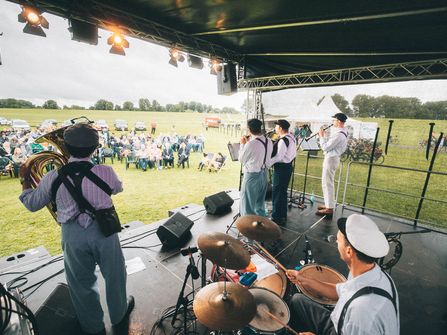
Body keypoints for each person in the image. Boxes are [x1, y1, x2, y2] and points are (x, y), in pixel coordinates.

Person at [18, 123, 134, 335]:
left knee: (81, 283)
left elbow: (32, 204)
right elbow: (118, 188)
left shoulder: (52, 176)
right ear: (95, 148)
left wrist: (26, 179)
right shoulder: (105, 171)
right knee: (115, 274)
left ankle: (93, 327)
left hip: (72, 235)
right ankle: (119, 313)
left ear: (67, 148)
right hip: (104, 231)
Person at [286, 214, 399, 335]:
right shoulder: (375, 274)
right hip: (340, 325)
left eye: (338, 240)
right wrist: (302, 279)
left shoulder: (361, 312)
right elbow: (339, 291)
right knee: (297, 300)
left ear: (349, 251)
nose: (335, 242)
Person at [238, 118, 273, 216]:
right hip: (264, 174)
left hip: (252, 176)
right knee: (260, 204)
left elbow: (241, 159)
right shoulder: (269, 141)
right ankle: (260, 226)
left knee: (247, 206)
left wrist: (242, 145)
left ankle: (247, 229)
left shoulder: (251, 144)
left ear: (249, 129)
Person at [316, 113, 348, 217]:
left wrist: (321, 136)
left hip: (331, 159)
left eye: (334, 120)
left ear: (338, 121)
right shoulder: (343, 132)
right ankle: (328, 204)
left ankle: (329, 208)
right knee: (327, 182)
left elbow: (325, 147)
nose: (332, 122)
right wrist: (324, 136)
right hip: (332, 158)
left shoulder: (339, 134)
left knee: (327, 183)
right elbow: (330, 145)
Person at [270, 119, 297, 225]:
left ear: (280, 128)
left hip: (281, 168)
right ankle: (282, 214)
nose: (275, 128)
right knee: (282, 192)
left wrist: (267, 162)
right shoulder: (292, 138)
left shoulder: (283, 140)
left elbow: (279, 157)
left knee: (277, 192)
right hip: (288, 166)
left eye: (276, 126)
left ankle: (276, 217)